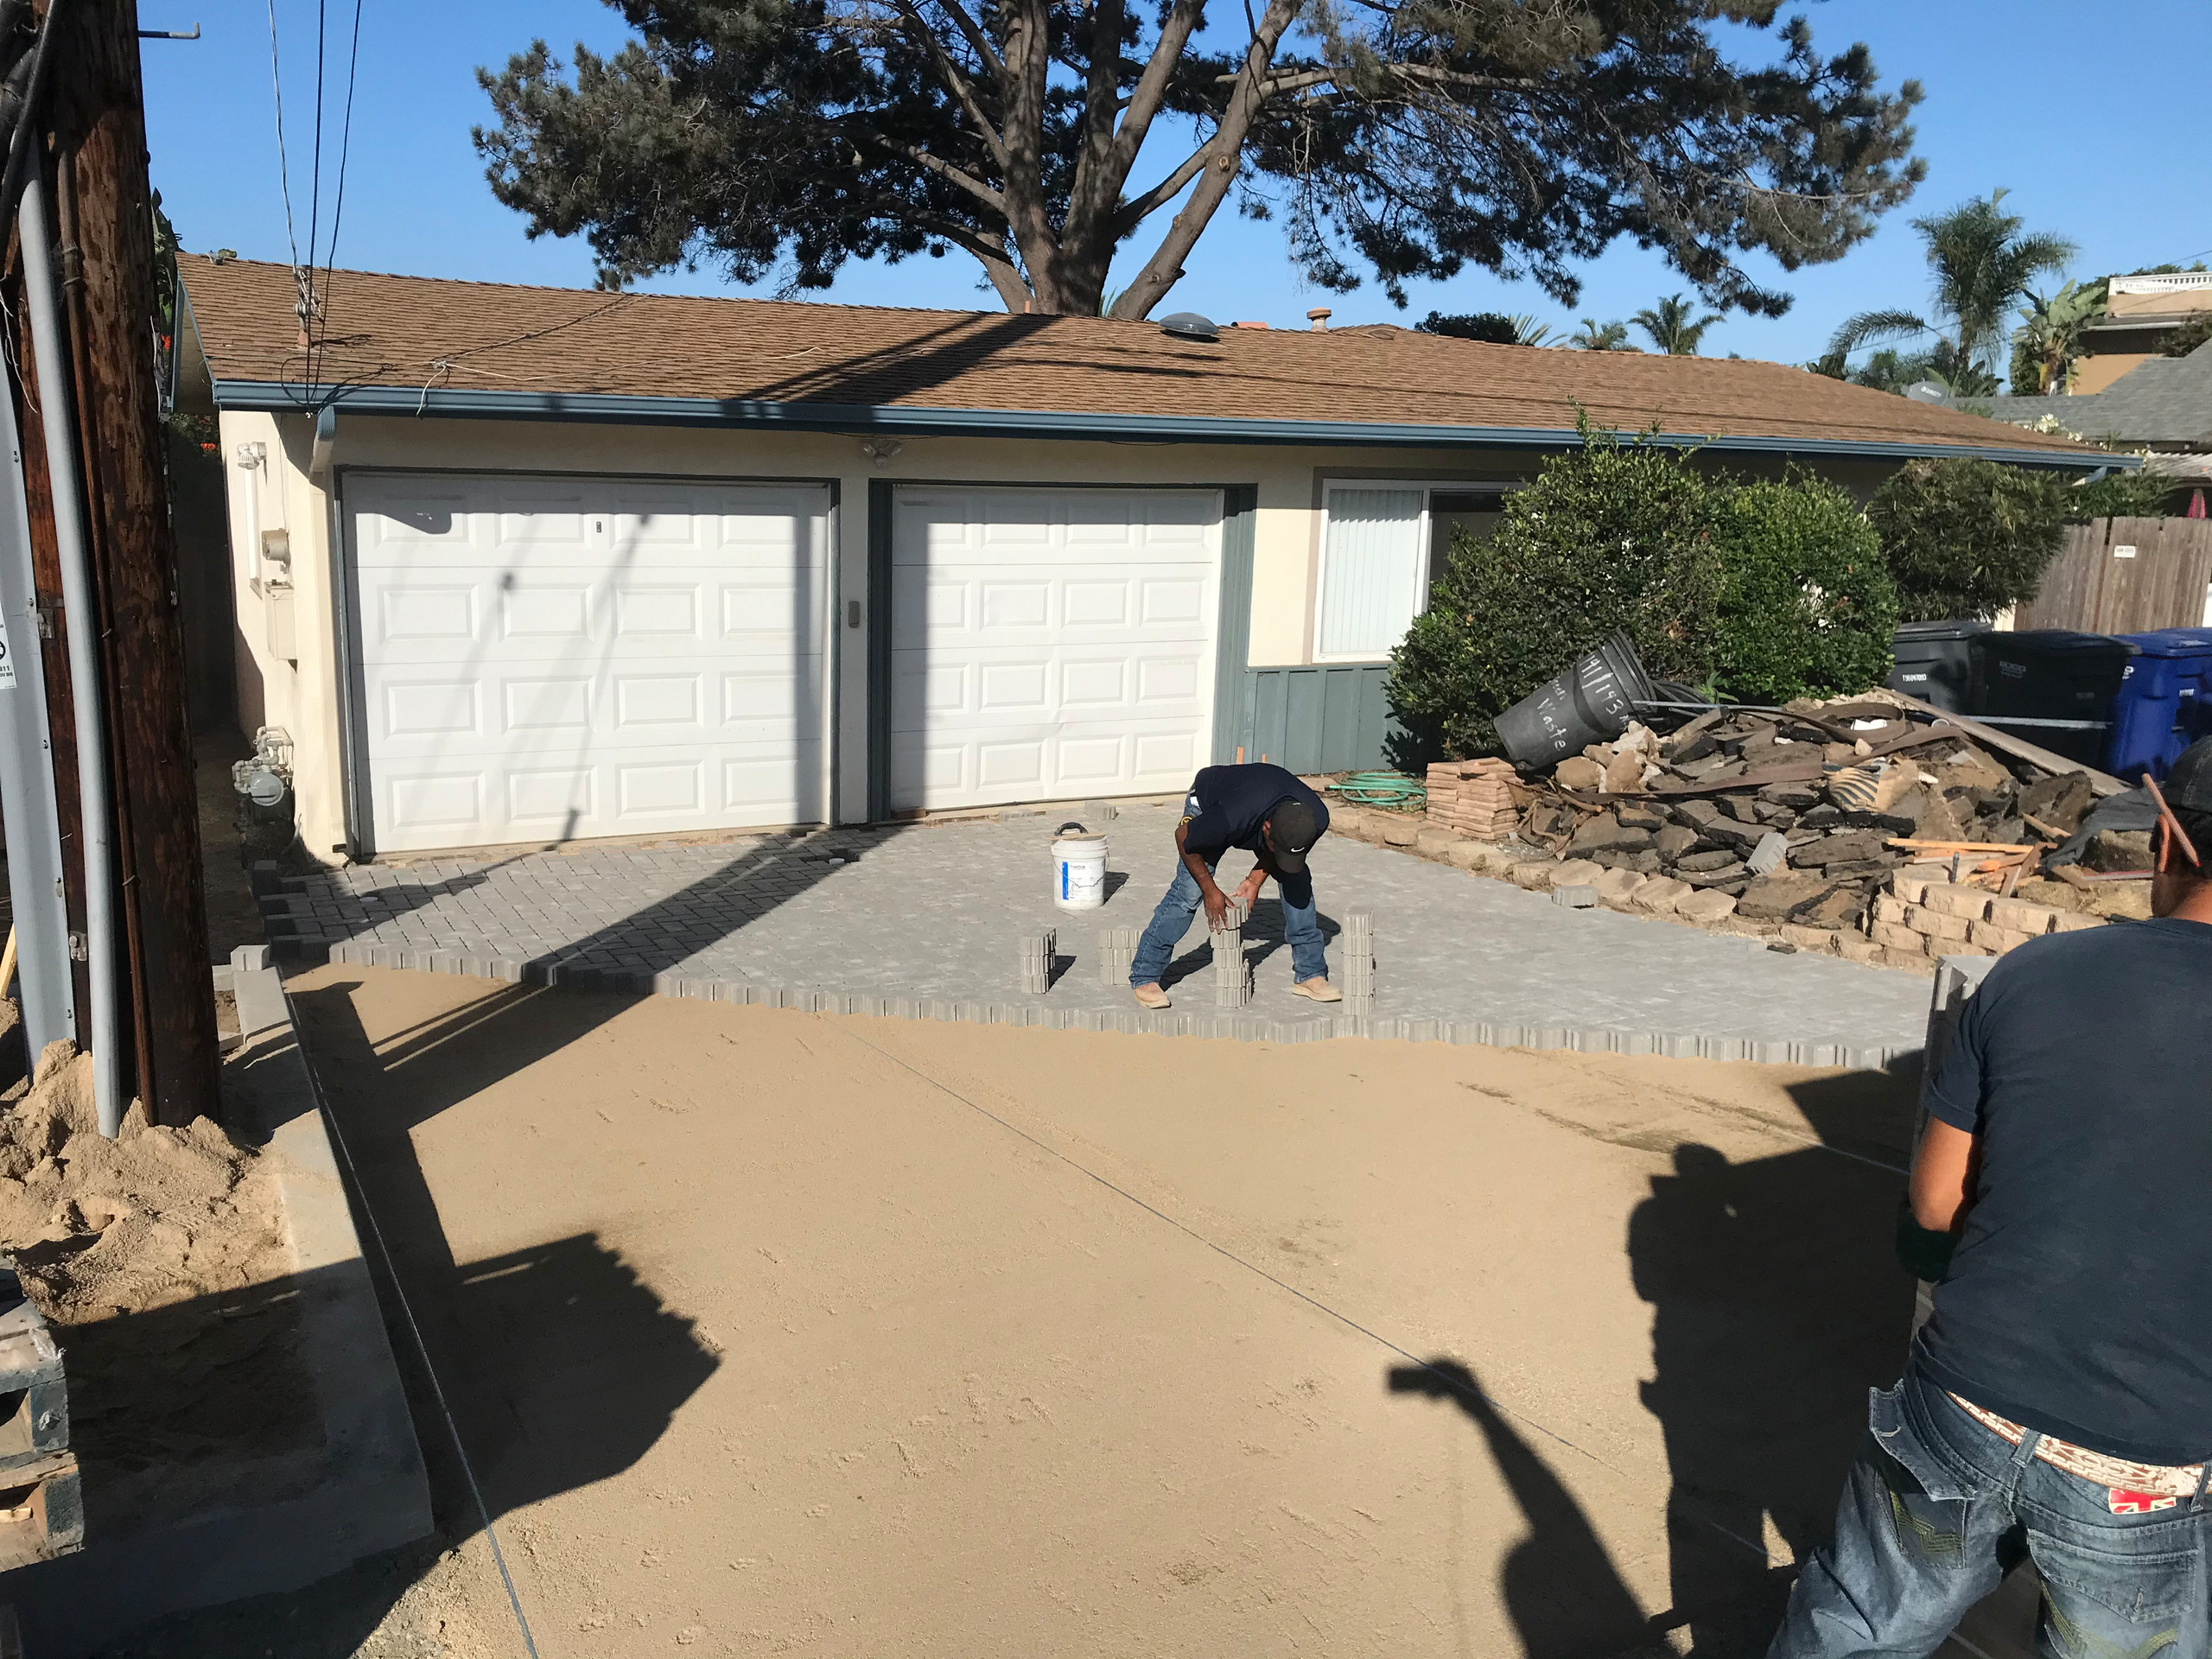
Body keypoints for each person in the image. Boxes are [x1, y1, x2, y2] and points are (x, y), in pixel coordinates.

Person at [1768, 736, 2212, 1659]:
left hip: (1960, 1401)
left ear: (2167, 838)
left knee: (1857, 1624)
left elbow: (1934, 1206)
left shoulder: (2035, 974)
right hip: (2145, 1462)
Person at [1128, 762, 1336, 1009]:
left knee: (1298, 880)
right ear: (1267, 829)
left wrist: (1254, 879)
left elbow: (1284, 852)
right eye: (1275, 847)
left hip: (1257, 803)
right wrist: (1210, 890)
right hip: (1210, 803)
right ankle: (1145, 976)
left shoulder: (1314, 818)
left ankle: (1310, 974)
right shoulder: (1231, 817)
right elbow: (1183, 837)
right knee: (1188, 893)